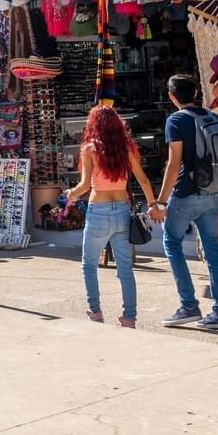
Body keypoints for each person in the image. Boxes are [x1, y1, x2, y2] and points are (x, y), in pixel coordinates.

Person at [65, 106, 160, 327]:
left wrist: (71, 194)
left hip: (98, 210)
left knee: (89, 264)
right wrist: (153, 204)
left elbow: (85, 185)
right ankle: (129, 317)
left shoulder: (89, 149)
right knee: (125, 269)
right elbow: (144, 180)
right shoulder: (126, 148)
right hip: (122, 210)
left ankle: (96, 311)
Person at [156, 72, 218, 330]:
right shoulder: (210, 116)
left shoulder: (176, 120)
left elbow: (173, 162)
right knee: (212, 251)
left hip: (187, 192)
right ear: (196, 93)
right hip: (212, 191)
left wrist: (161, 201)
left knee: (172, 242)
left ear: (171, 96)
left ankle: (189, 305)